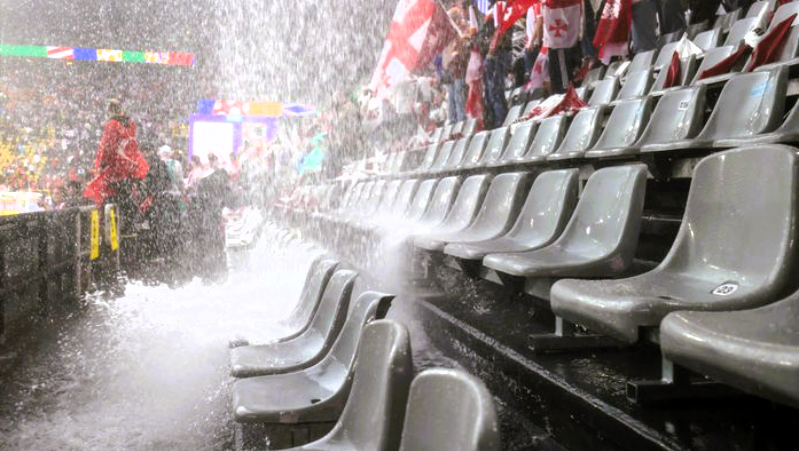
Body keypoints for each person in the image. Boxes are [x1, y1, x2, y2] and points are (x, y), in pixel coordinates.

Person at [83, 99, 149, 226]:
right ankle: (129, 223)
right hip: (131, 166)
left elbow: (107, 146)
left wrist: (102, 164)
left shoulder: (112, 124)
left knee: (101, 193)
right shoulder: (129, 124)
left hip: (117, 167)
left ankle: (110, 227)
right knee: (126, 196)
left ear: (109, 110)